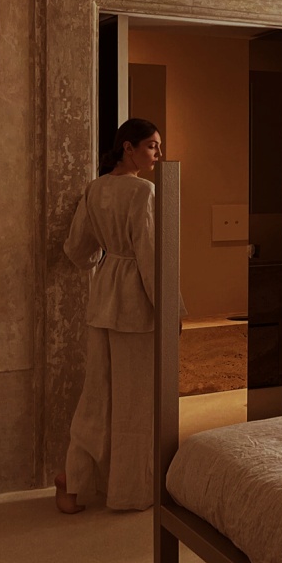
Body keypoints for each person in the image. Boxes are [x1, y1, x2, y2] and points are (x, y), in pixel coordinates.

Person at [56, 118, 163, 514]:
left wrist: (106, 256)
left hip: (102, 300)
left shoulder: (95, 188)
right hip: (136, 305)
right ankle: (130, 491)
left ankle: (73, 480)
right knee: (136, 401)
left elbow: (77, 251)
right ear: (128, 147)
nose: (158, 153)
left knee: (96, 396)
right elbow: (150, 255)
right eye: (151, 145)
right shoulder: (144, 191)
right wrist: (169, 308)